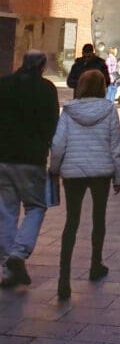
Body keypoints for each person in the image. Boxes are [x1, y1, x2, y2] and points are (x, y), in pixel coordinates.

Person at [50, 70, 120, 300]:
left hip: (73, 173)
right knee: (98, 219)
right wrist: (119, 175)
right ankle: (95, 264)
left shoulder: (69, 111)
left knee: (71, 223)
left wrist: (54, 169)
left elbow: (58, 143)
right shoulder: (109, 110)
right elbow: (116, 146)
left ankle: (64, 278)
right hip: (101, 172)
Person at [0, 51, 60, 288]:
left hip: (3, 156)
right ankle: (19, 253)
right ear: (42, 67)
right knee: (36, 206)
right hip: (32, 158)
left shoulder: (4, 84)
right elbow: (52, 124)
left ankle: (7, 269)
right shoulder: (46, 89)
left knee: (6, 210)